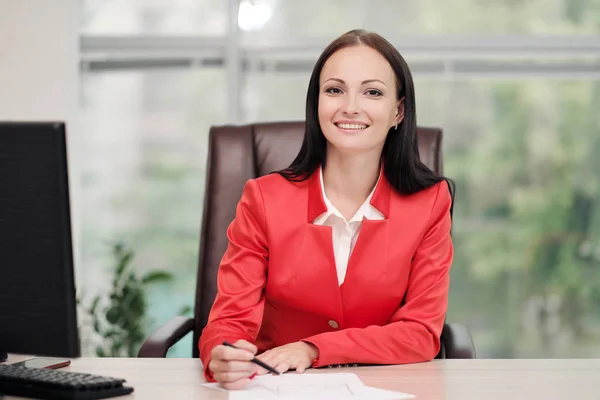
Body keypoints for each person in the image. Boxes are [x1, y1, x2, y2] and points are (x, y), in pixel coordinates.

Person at [199, 29, 455, 390]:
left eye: (373, 92)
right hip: (276, 389)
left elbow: (420, 333)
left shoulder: (430, 203)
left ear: (398, 111)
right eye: (335, 90)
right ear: (317, 103)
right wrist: (221, 353)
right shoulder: (264, 198)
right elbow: (229, 320)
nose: (350, 106)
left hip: (383, 388)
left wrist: (313, 348)